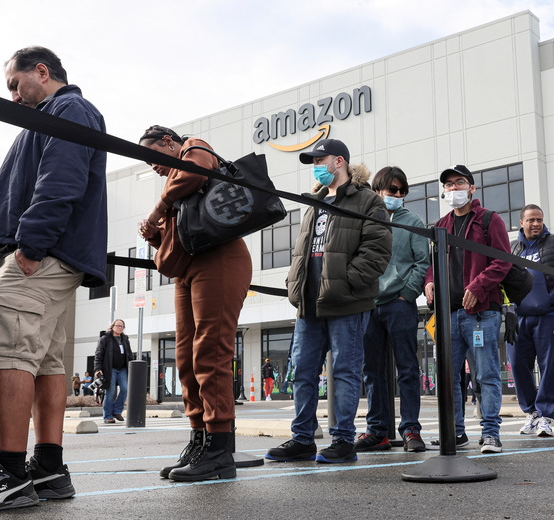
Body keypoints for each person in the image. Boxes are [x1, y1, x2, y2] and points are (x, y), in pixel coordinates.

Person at [0, 46, 107, 514]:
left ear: (42, 70)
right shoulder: (54, 118)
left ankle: (9, 474)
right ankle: (48, 469)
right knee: (46, 360)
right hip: (57, 253)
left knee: (9, 348)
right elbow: (41, 180)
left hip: (42, 254)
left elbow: (62, 183)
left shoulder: (68, 109)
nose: (12, 95)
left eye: (15, 84)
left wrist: (30, 248)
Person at [266, 138, 391, 464]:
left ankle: (343, 441)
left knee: (345, 373)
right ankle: (303, 439)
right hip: (309, 304)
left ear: (339, 161)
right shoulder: (314, 203)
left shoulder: (368, 202)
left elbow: (377, 251)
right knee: (303, 371)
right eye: (312, 162)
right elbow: (303, 251)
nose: (315, 167)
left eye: (319, 160)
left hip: (347, 303)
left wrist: (346, 282)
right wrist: (295, 283)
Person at [138, 125, 251, 482]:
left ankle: (219, 449)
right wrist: (156, 234)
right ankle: (200, 439)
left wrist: (159, 209)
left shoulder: (195, 150)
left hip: (219, 259)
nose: (153, 166)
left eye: (154, 155)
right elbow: (174, 251)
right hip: (189, 269)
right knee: (185, 357)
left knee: (211, 350)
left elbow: (197, 165)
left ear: (169, 142)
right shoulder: (175, 187)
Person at [424, 165, 510, 453]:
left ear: (472, 188)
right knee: (448, 378)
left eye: (459, 183)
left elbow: (502, 261)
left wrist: (478, 286)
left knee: (485, 375)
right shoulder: (440, 225)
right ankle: (455, 432)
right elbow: (430, 265)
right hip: (448, 314)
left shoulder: (489, 220)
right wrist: (429, 283)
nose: (453, 189)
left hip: (481, 312)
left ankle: (490, 434)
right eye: (448, 185)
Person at [356, 166, 429, 453]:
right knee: (371, 370)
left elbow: (421, 261)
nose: (398, 195)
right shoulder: (363, 221)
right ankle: (378, 430)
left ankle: (410, 428)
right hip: (369, 305)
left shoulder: (413, 222)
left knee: (408, 368)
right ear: (377, 191)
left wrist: (407, 293)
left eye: (402, 191)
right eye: (392, 190)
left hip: (399, 304)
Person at [507, 204, 554, 437]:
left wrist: (550, 301)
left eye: (539, 220)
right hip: (520, 317)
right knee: (518, 366)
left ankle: (545, 416)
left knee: (548, 366)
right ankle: (531, 413)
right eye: (531, 220)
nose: (536, 224)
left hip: (548, 316)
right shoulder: (512, 248)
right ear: (521, 223)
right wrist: (509, 312)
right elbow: (505, 280)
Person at [94, 319, 134, 424]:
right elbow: (98, 354)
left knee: (125, 389)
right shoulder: (105, 338)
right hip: (110, 369)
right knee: (110, 392)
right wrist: (98, 369)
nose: (120, 328)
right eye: (118, 326)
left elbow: (129, 354)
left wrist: (132, 367)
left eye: (122, 326)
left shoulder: (125, 339)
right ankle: (107, 416)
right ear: (112, 326)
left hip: (122, 369)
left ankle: (117, 410)